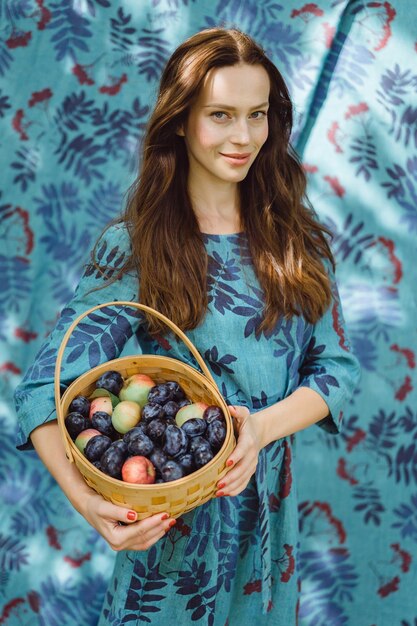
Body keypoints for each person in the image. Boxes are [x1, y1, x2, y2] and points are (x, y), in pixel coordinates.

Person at [14, 27, 360, 625]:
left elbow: (337, 371)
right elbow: (39, 391)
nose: (244, 136)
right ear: (179, 120)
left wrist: (259, 431)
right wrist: (92, 508)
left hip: (270, 541)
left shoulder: (299, 244)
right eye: (221, 115)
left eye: (258, 115)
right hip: (174, 549)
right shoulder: (136, 248)